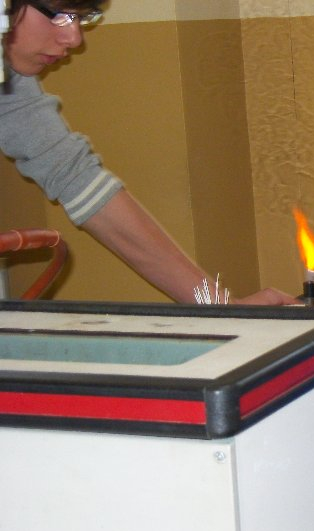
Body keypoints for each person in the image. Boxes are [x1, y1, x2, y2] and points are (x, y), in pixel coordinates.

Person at [1, 0, 296, 305]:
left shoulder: (11, 85)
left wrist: (221, 308)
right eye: (60, 15)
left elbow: (78, 179)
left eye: (79, 18)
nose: (74, 38)